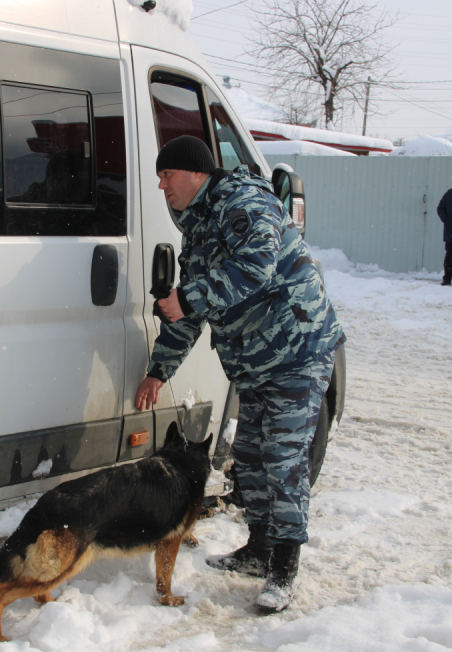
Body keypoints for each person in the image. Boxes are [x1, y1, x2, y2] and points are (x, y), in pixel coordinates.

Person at [134, 135, 346, 615]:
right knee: (248, 457)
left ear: (195, 173)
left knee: (283, 458)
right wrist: (158, 371)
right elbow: (187, 312)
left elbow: (256, 266)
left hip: (297, 348)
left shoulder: (243, 203)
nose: (163, 188)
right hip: (256, 361)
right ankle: (259, 549)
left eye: (167, 176)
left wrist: (187, 299)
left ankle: (284, 570)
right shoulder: (201, 225)